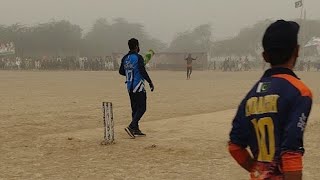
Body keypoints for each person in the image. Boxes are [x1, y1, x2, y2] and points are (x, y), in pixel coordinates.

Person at [228, 20, 313, 180]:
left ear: (265, 56)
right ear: (297, 51)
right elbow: (291, 151)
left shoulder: (251, 96)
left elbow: (235, 147)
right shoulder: (300, 92)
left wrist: (259, 170)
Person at [119, 38, 154, 138]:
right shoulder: (138, 57)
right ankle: (131, 126)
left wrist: (130, 70)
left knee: (135, 108)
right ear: (137, 46)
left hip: (129, 86)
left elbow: (121, 71)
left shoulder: (125, 58)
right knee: (142, 107)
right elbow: (142, 71)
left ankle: (136, 129)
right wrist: (150, 82)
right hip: (138, 85)